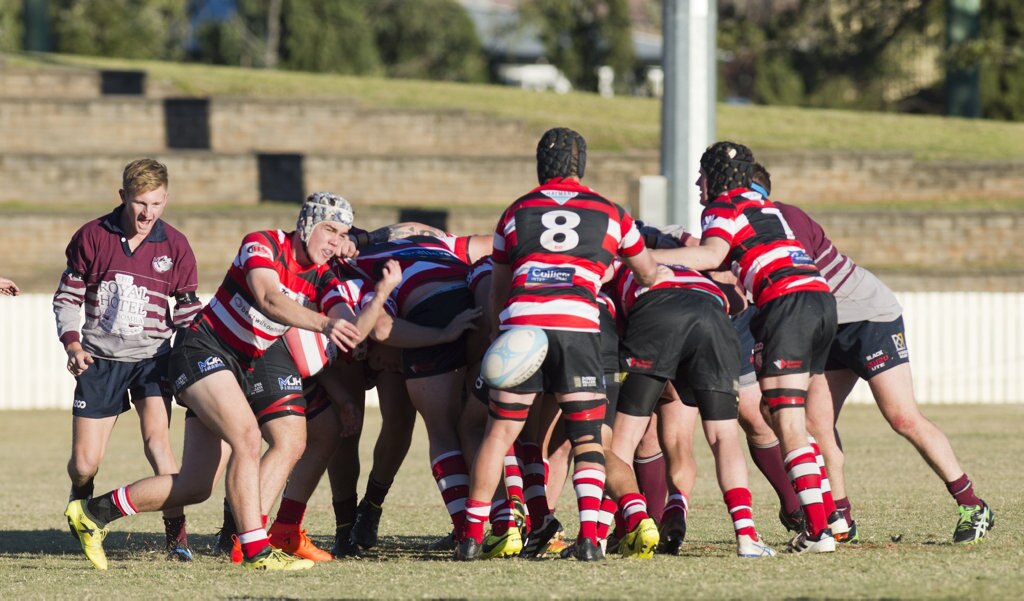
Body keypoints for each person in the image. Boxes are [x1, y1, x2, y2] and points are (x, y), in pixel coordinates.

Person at [64, 192, 399, 571]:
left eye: (342, 235)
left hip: (238, 367)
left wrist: (382, 293)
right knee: (248, 438)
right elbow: (269, 298)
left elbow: (351, 333)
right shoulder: (263, 243)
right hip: (199, 349)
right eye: (329, 231)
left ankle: (92, 512)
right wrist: (324, 322)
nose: (336, 243)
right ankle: (255, 549)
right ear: (306, 224)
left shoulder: (324, 278)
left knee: (195, 485)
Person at [752, 163, 994, 545]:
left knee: (902, 417)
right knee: (815, 424)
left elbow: (786, 277)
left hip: (868, 315)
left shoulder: (784, 216)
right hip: (825, 323)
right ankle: (839, 518)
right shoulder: (734, 227)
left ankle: (972, 504)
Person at [455, 127, 665, 561]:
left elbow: (498, 289)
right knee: (587, 436)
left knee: (499, 434)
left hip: (523, 328)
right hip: (578, 327)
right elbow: (647, 272)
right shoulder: (612, 212)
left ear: (540, 166)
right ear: (581, 166)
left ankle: (472, 537)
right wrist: (604, 269)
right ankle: (590, 538)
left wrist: (501, 333)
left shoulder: (515, 211)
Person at [651, 141, 838, 553]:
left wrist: (649, 257)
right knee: (783, 414)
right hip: (820, 299)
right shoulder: (762, 203)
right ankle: (828, 517)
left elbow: (713, 252)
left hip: (785, 302)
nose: (698, 182)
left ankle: (819, 532)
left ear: (717, 177)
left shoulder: (720, 206)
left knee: (786, 421)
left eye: (703, 173)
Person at [52, 158, 201, 561]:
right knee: (84, 464)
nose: (147, 214)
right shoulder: (92, 237)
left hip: (153, 360)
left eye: (156, 204)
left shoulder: (176, 245)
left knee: (159, 446)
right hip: (99, 360)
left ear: (166, 199)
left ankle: (178, 540)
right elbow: (67, 299)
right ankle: (80, 502)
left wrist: (193, 357)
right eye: (140, 203)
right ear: (123, 197)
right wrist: (72, 345)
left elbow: (187, 312)